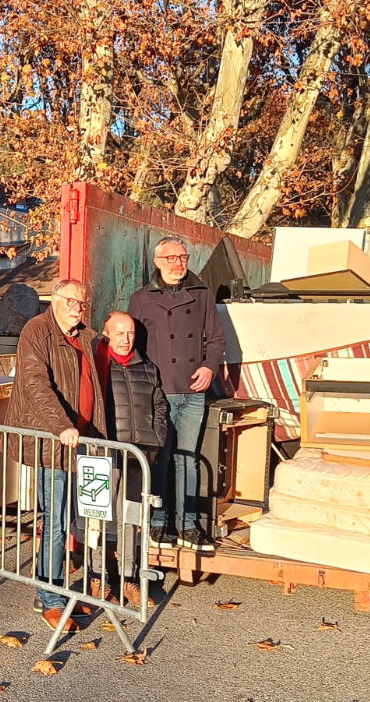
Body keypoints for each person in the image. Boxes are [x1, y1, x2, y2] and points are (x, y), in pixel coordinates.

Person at [7, 279, 107, 633]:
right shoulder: (37, 332)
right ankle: (50, 597)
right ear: (56, 300)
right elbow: (35, 383)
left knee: (69, 519)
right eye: (72, 302)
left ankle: (53, 588)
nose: (79, 308)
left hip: (82, 440)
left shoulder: (86, 336)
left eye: (83, 302)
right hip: (55, 440)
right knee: (56, 519)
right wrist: (61, 425)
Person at [128, 236, 226, 551]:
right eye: (170, 258)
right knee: (161, 458)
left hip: (193, 389)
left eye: (182, 257)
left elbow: (217, 339)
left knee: (189, 459)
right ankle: (158, 523)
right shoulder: (141, 299)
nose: (177, 264)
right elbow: (134, 347)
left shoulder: (202, 294)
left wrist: (210, 367)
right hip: (160, 391)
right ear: (157, 262)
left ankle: (188, 525)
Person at [94, 311, 167, 609]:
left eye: (131, 333)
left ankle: (128, 579)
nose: (126, 339)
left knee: (130, 519)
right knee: (95, 517)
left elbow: (159, 404)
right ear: (107, 334)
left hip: (140, 455)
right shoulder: (97, 367)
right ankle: (97, 577)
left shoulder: (148, 368)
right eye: (120, 333)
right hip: (104, 455)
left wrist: (157, 436)